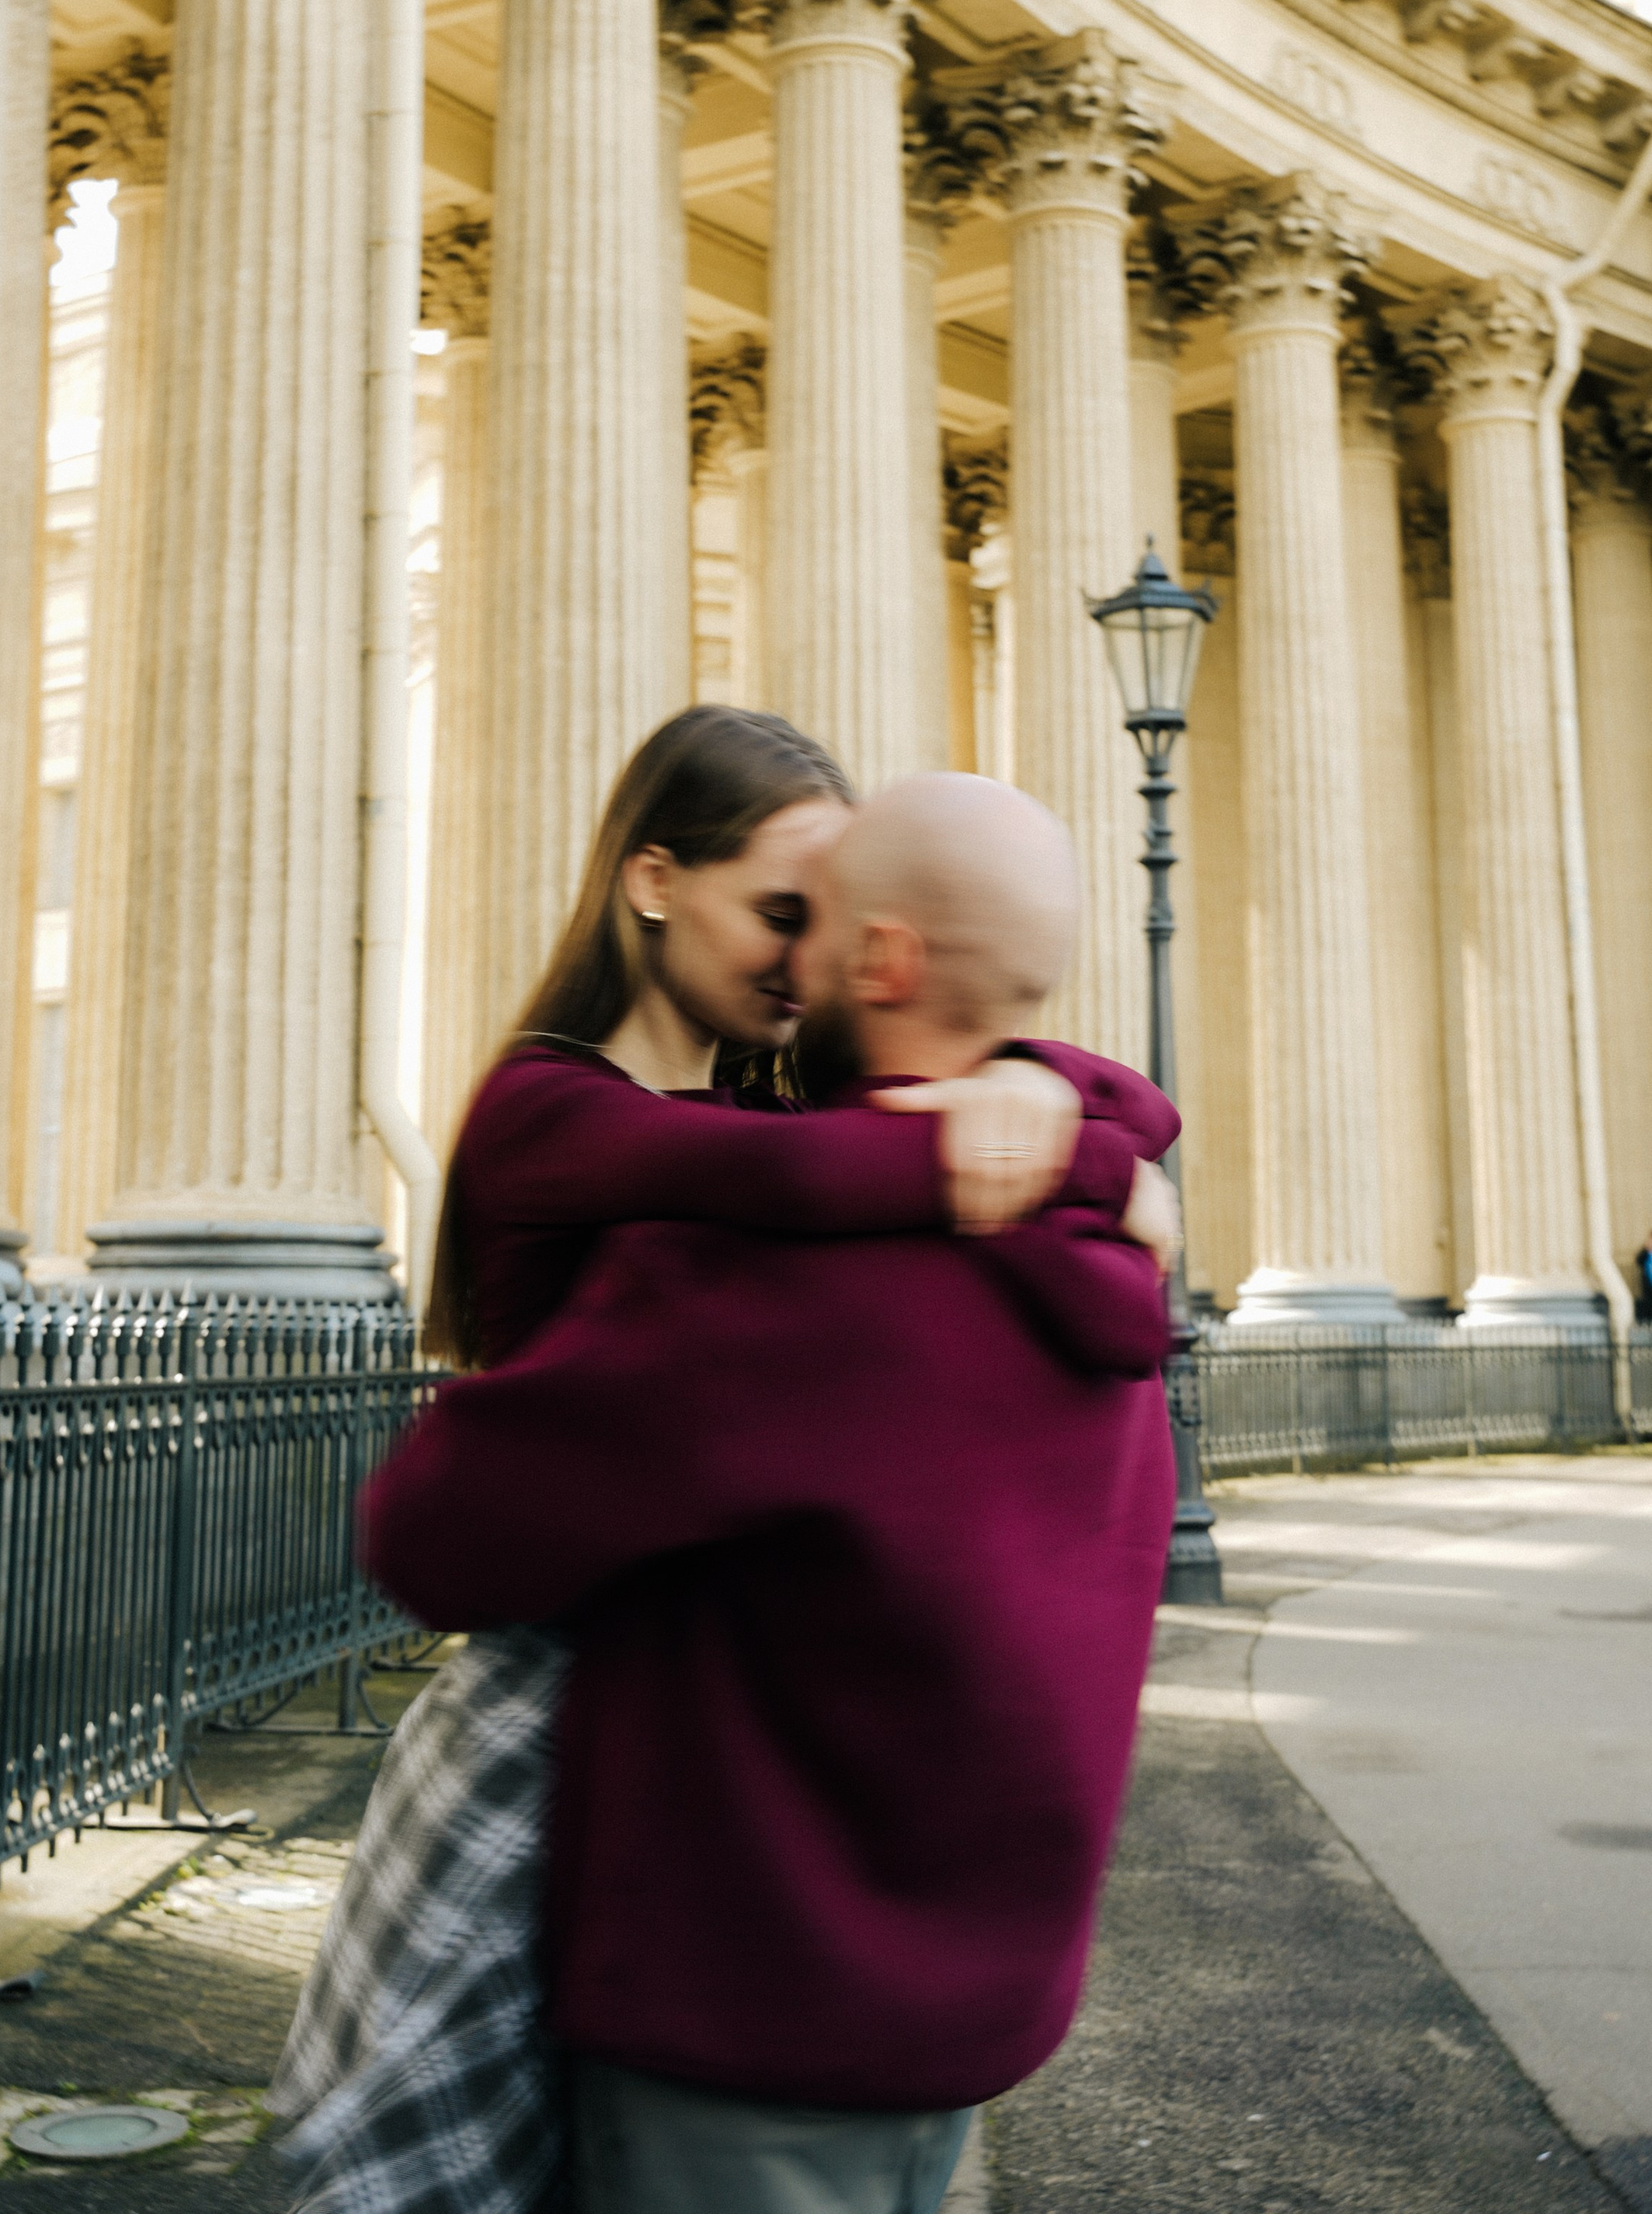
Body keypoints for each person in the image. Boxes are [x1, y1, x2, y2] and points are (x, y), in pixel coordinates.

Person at [274, 714, 1169, 2214]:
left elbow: (428, 1536)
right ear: (651, 882)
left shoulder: (759, 1283)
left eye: (814, 926)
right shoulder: (1068, 1274)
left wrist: (1050, 1116)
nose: (787, 959)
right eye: (775, 909)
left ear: (879, 960)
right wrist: (1083, 1140)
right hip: (966, 2003)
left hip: (740, 1975)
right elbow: (797, 1168)